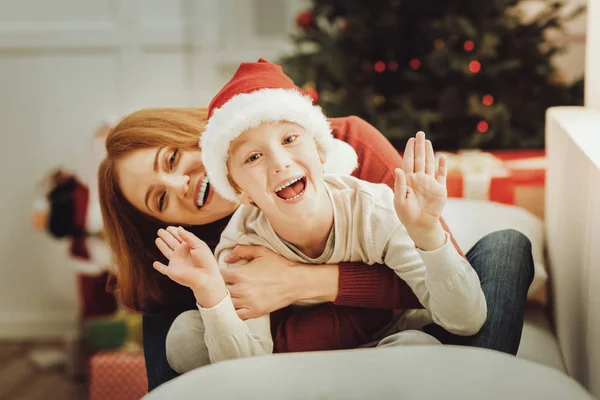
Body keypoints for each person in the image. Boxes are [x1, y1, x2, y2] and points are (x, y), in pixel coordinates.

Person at [99, 79, 534, 393]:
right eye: (160, 200)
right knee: (167, 311)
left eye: (173, 158)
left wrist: (304, 282)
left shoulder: (347, 155)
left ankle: (471, 388)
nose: (181, 186)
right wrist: (214, 297)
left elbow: (436, 278)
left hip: (394, 318)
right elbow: (244, 360)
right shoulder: (219, 245)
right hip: (284, 351)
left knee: (505, 249)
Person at [151, 59, 487, 372]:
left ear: (321, 150)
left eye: (290, 139)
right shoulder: (240, 246)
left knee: (419, 346)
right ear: (240, 192)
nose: (279, 161)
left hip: (388, 332)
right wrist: (212, 294)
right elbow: (245, 374)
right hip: (299, 355)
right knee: (183, 338)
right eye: (253, 157)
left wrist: (427, 232)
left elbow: (466, 320)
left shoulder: (374, 208)